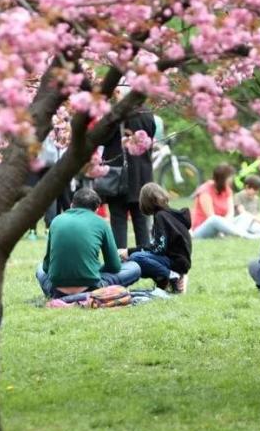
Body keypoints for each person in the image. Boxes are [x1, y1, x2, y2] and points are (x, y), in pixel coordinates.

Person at [36, 188, 140, 298]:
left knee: (39, 268)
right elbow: (114, 266)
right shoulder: (100, 223)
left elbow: (46, 267)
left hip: (56, 290)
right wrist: (96, 269)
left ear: (71, 205)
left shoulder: (56, 221)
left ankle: (64, 296)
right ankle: (90, 293)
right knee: (134, 267)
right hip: (92, 287)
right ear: (96, 210)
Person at [101, 106, 156, 249]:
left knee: (118, 219)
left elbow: (102, 138)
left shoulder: (113, 114)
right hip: (141, 176)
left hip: (117, 175)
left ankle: (120, 263)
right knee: (142, 221)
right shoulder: (147, 114)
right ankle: (144, 260)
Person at [126, 183, 191, 293]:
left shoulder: (161, 216)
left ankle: (173, 276)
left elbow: (159, 248)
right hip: (181, 262)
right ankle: (166, 283)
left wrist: (129, 251)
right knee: (143, 257)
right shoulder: (170, 215)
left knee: (136, 257)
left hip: (175, 262)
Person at [191, 163, 259, 239]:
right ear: (222, 178)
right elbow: (210, 216)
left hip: (223, 225)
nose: (231, 180)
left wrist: (226, 225)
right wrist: (224, 225)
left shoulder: (227, 189)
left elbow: (231, 212)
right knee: (214, 219)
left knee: (245, 216)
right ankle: (248, 236)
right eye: (230, 177)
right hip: (202, 228)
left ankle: (234, 234)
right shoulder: (205, 191)